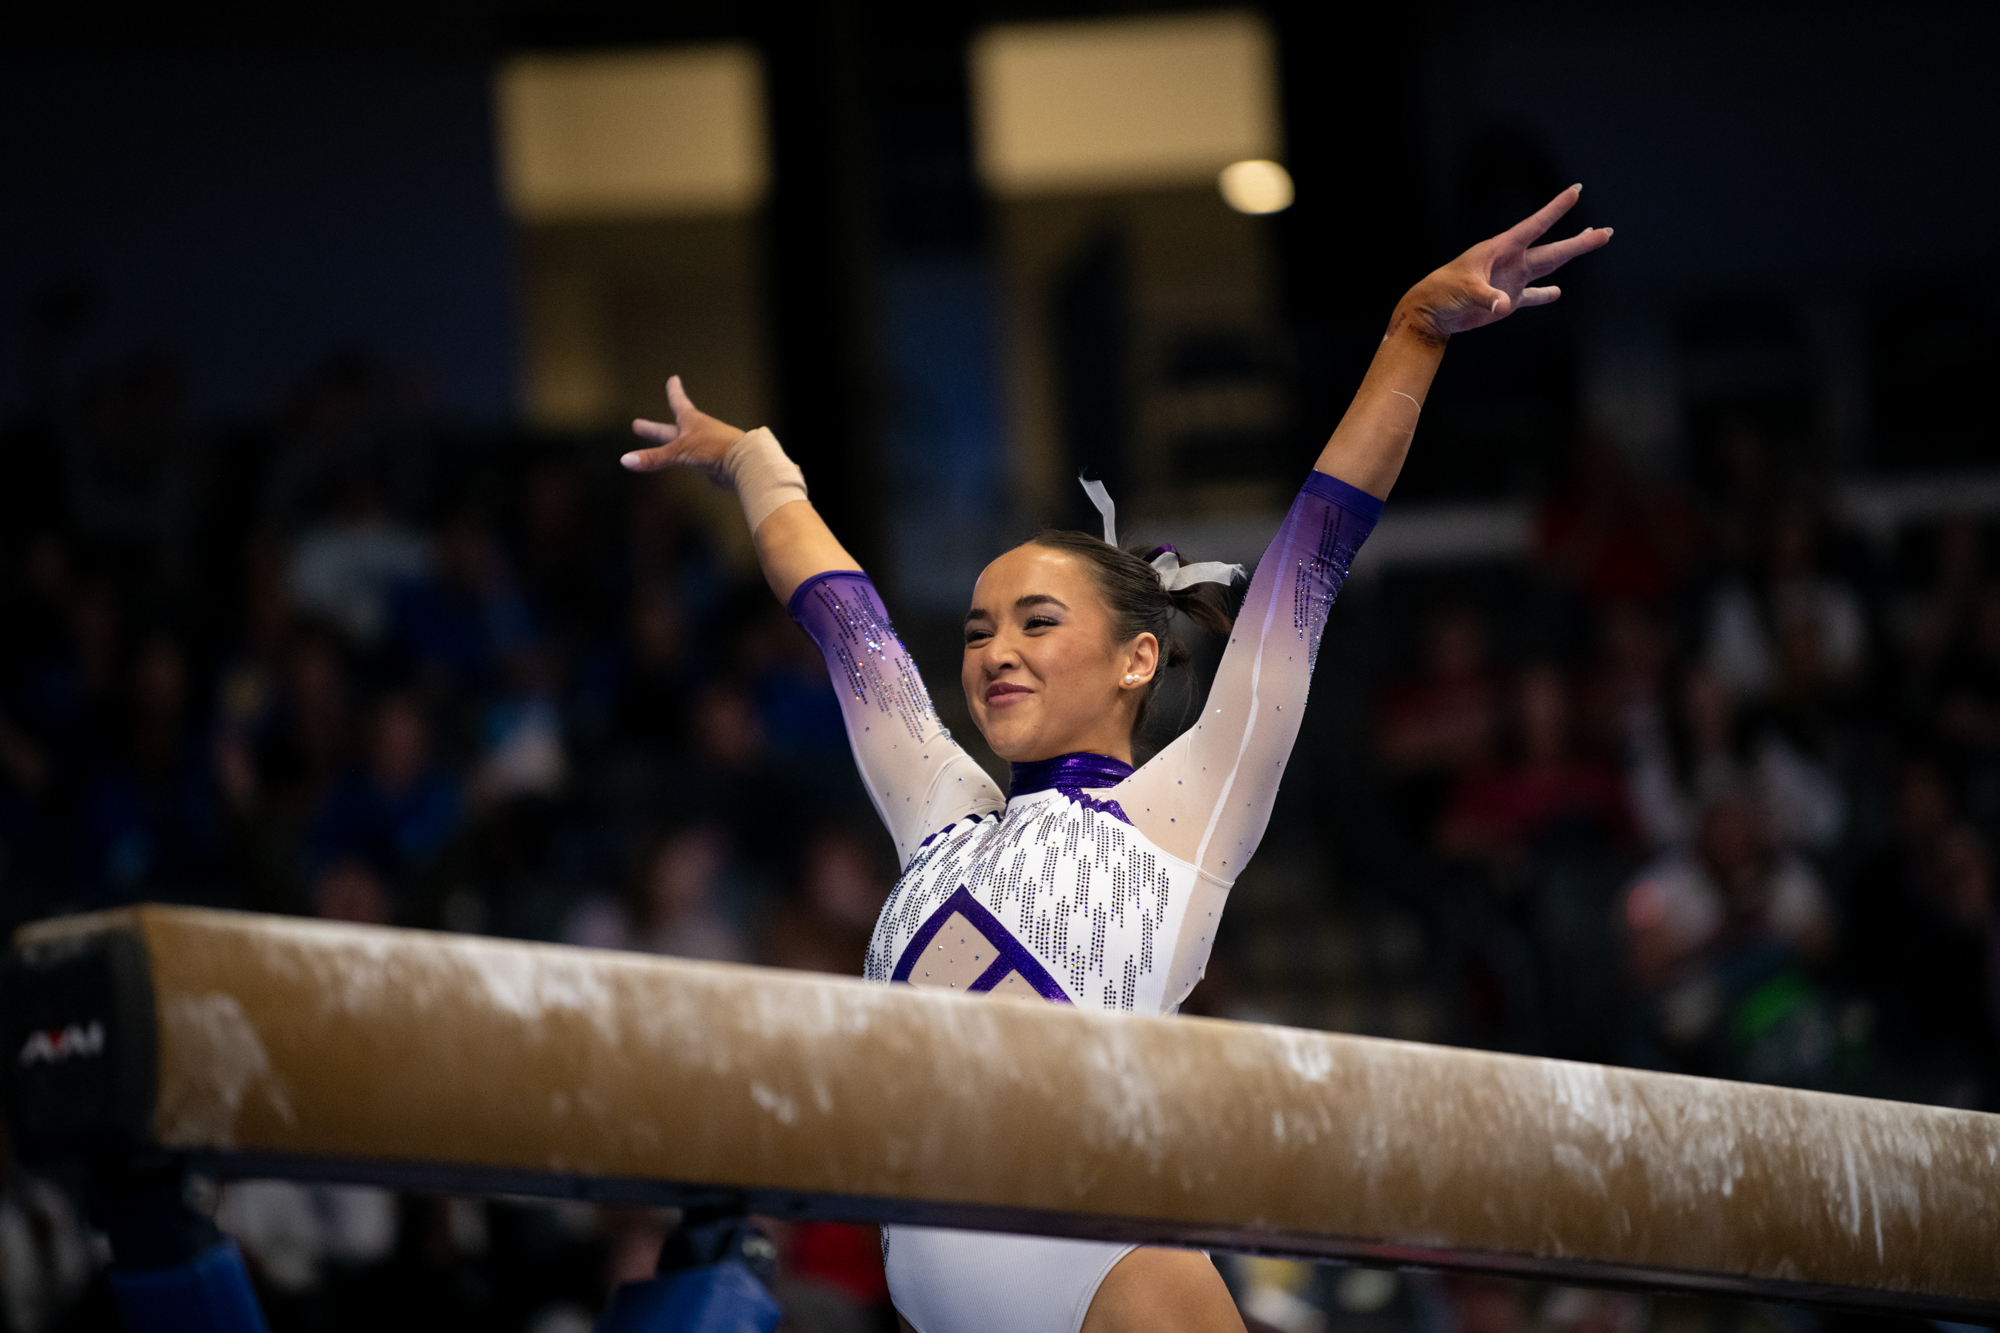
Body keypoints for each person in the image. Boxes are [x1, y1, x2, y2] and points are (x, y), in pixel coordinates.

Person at [620, 188, 1611, 1333]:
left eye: (1036, 621)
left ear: (1137, 658)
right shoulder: (941, 819)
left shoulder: (1179, 811)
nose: (994, 650)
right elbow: (846, 622)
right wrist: (752, 460)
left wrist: (1411, 335)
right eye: (981, 627)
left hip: (1109, 1278)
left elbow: (1310, 559)